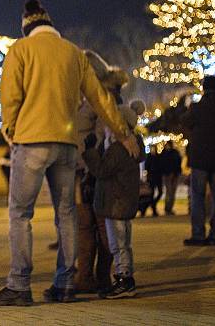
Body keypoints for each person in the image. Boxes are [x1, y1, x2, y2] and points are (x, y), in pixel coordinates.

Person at [0, 0, 140, 307]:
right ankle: (66, 282)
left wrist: (10, 129)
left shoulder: (20, 50)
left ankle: (19, 285)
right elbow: (99, 98)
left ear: (26, 24)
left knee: (20, 213)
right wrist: (124, 135)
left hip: (32, 141)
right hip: (68, 144)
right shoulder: (74, 53)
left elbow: (10, 95)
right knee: (66, 213)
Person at [82, 102, 145, 299]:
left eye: (111, 123)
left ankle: (124, 279)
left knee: (118, 244)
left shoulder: (119, 148)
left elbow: (102, 170)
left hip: (116, 202)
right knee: (122, 243)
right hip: (121, 201)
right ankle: (124, 278)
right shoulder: (130, 144)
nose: (107, 126)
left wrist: (90, 150)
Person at [181, 75, 215, 246]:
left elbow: (185, 122)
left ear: (204, 88)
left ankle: (198, 234)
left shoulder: (197, 108)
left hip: (199, 160)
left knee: (198, 197)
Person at [160, 140, 183, 215]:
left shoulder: (173, 153)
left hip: (174, 174)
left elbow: (178, 162)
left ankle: (169, 208)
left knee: (172, 192)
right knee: (169, 192)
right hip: (168, 174)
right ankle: (167, 208)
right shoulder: (165, 153)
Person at [145, 145, 164, 216]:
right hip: (151, 178)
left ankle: (153, 204)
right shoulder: (149, 157)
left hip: (158, 177)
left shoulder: (159, 157)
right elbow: (147, 167)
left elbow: (161, 166)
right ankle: (153, 208)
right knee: (151, 193)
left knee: (160, 192)